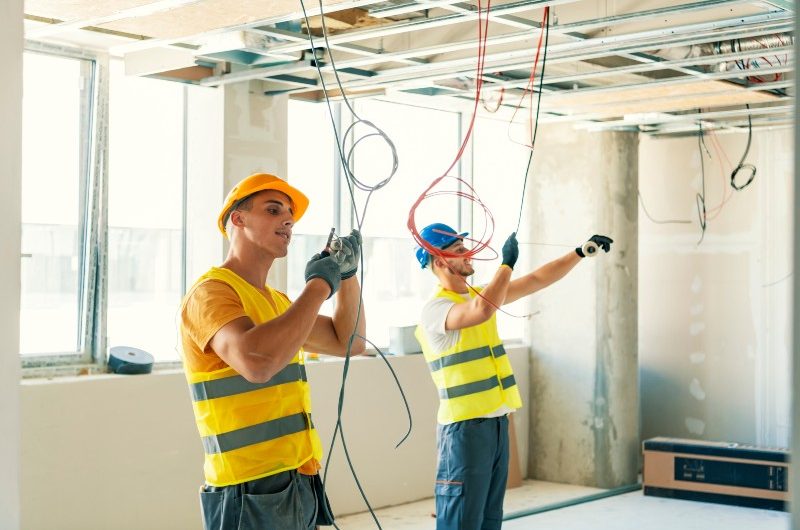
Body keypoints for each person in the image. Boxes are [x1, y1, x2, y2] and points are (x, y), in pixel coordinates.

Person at [179, 173, 366, 530]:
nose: (288, 220)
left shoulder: (278, 303)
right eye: (273, 209)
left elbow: (350, 341)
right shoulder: (210, 294)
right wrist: (320, 283)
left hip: (297, 478)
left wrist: (347, 274)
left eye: (290, 214)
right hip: (247, 488)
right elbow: (256, 363)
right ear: (238, 218)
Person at [414, 222, 613, 530]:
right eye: (458, 250)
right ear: (439, 261)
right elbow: (481, 311)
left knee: (489, 520)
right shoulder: (437, 309)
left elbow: (535, 280)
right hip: (464, 431)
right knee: (461, 521)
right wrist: (506, 264)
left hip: (495, 424)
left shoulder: (481, 295)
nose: (468, 253)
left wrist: (580, 252)